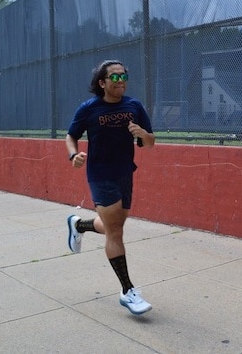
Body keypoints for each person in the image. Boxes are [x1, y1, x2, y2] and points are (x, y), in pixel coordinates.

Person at [65, 59, 155, 315]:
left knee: (113, 225)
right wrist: (74, 156)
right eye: (114, 77)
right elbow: (71, 135)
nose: (121, 80)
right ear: (102, 83)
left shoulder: (134, 106)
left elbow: (150, 143)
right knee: (115, 232)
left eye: (124, 75)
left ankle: (78, 224)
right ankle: (128, 291)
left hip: (125, 173)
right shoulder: (89, 109)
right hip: (100, 175)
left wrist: (142, 133)